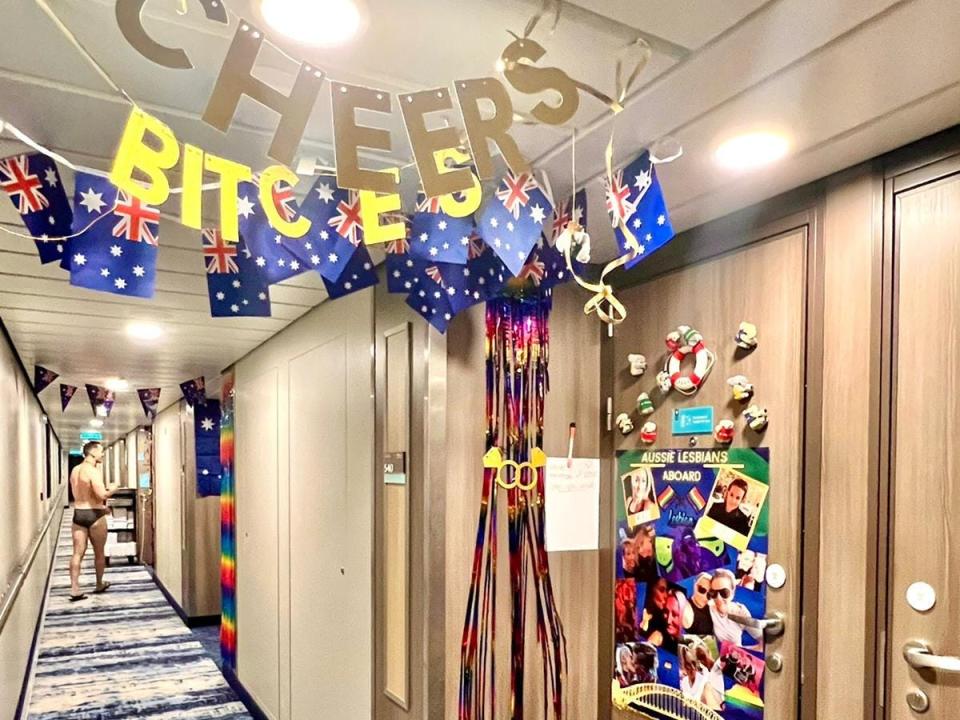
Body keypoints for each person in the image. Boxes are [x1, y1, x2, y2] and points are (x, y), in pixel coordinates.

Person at [69, 441, 116, 601]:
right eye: (101, 451)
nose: (102, 454)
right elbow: (102, 495)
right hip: (94, 514)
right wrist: (114, 488)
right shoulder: (92, 471)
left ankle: (75, 588)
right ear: (93, 452)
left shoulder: (75, 470)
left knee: (77, 553)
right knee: (99, 552)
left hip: (78, 514)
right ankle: (99, 583)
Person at [708, 568, 762, 648]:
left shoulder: (739, 612)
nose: (718, 598)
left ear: (733, 593)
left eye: (724, 593)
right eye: (714, 593)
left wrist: (746, 653)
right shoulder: (708, 609)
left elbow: (764, 639)